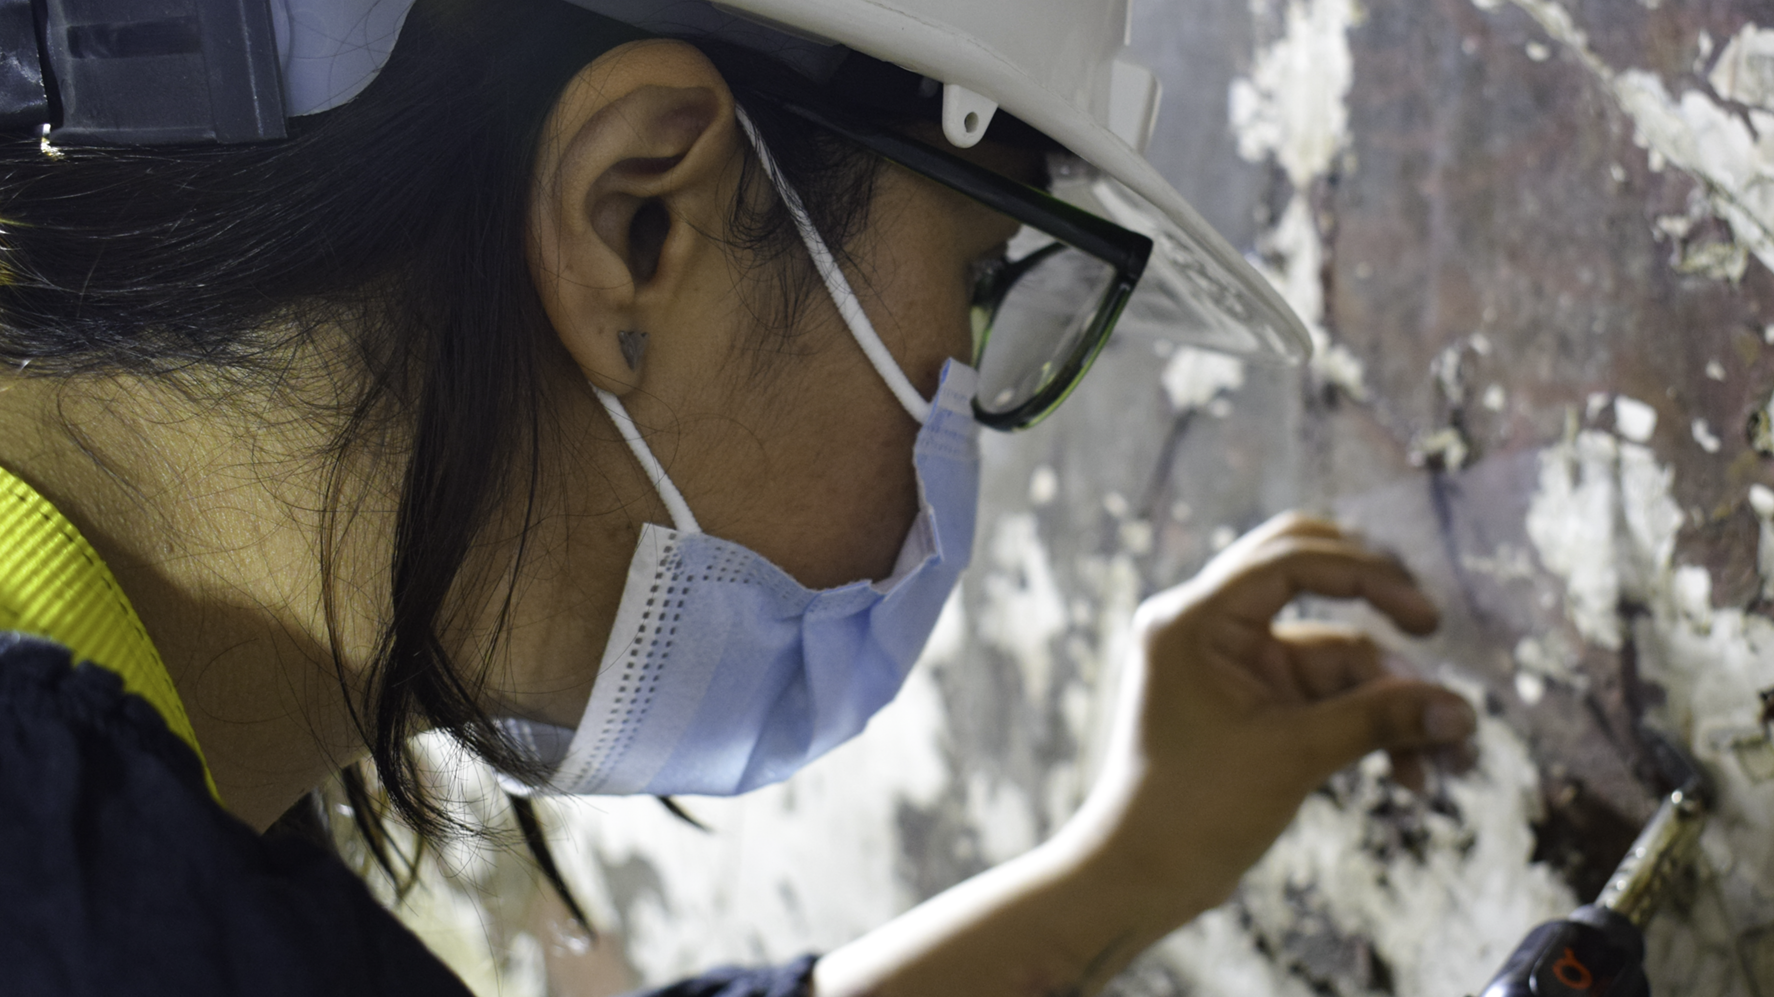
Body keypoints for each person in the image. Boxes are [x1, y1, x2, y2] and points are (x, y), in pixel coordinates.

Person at [0, 0, 1479, 994]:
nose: (958, 415)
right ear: (637, 218)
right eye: (976, 297)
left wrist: (1124, 866)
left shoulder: (113, 829)